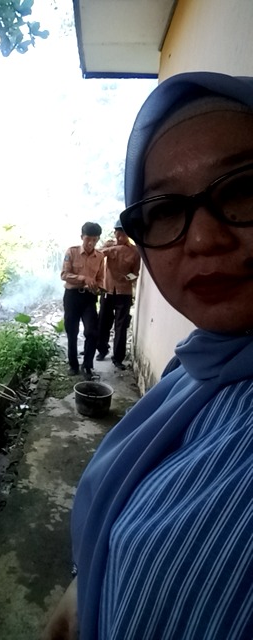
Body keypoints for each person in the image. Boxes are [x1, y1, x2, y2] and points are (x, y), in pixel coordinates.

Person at [43, 71, 253, 640]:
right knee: (77, 337)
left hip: (110, 298)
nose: (202, 239)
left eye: (243, 188)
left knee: (102, 336)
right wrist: (87, 585)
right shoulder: (199, 367)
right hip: (80, 296)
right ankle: (78, 365)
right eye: (164, 210)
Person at [61, 222, 105, 380]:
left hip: (89, 298)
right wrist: (83, 278)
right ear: (82, 237)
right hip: (72, 296)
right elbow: (64, 275)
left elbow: (100, 278)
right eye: (88, 239)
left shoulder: (100, 256)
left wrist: (98, 287)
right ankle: (73, 365)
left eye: (94, 240)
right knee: (72, 331)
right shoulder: (72, 252)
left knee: (92, 332)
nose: (91, 243)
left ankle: (87, 365)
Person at [96, 220, 140, 369]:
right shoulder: (109, 246)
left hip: (124, 292)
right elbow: (97, 255)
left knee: (121, 326)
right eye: (117, 233)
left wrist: (127, 278)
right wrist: (109, 248)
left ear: (128, 235)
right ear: (114, 233)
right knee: (103, 322)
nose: (119, 236)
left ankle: (118, 358)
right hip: (107, 290)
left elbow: (136, 273)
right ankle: (102, 350)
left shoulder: (134, 251)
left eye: (123, 233)